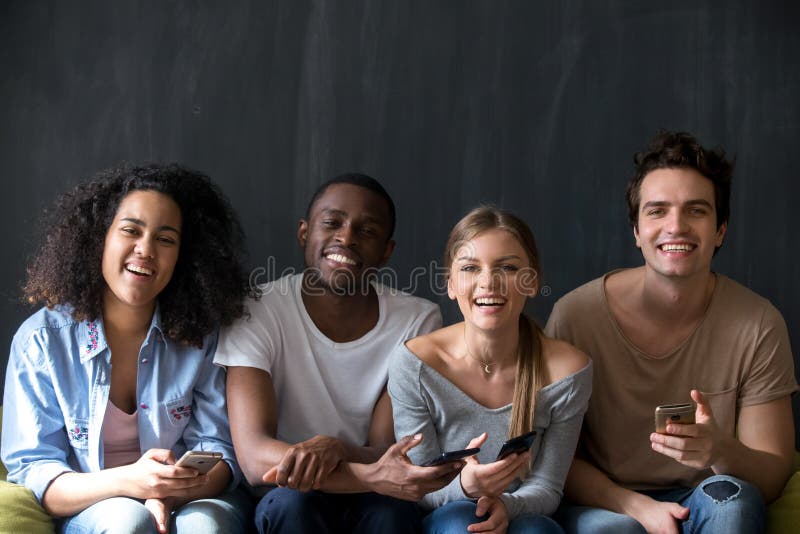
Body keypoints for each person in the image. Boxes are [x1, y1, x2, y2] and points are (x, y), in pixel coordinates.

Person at [547, 130, 798, 534]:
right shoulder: (576, 316)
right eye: (657, 210)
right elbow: (553, 461)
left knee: (733, 502)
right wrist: (637, 507)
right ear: (636, 230)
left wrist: (719, 449)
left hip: (709, 496)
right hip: (608, 501)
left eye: (696, 210)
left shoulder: (758, 323)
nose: (676, 226)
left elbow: (771, 475)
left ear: (720, 230)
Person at [1, 164, 253, 534]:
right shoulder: (42, 339)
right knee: (126, 521)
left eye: (166, 239)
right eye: (131, 230)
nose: (146, 250)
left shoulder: (204, 336)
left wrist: (166, 494)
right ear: (98, 238)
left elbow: (220, 449)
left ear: (184, 256)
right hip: (93, 502)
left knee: (206, 527)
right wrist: (132, 483)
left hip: (192, 496)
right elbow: (36, 471)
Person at [215, 173, 462, 534]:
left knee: (390, 514)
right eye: (332, 222)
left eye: (367, 231)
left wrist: (338, 448)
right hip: (286, 491)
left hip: (376, 497)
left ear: (386, 251)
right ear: (304, 233)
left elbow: (387, 447)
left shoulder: (417, 319)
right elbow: (254, 458)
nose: (346, 238)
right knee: (293, 504)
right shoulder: (256, 308)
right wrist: (365, 473)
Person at [389, 206, 593, 534]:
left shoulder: (568, 371)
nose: (488, 282)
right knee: (462, 522)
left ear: (531, 281)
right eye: (470, 268)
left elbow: (548, 486)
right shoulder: (416, 364)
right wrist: (467, 489)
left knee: (538, 532)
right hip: (448, 514)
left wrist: (506, 506)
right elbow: (419, 487)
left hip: (527, 513)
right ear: (451, 284)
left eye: (508, 267)